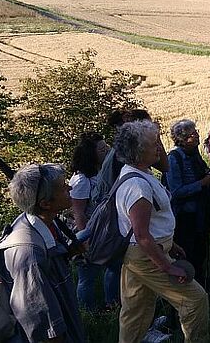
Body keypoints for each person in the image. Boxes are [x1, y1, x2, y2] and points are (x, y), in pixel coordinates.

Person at [114, 120, 208, 343]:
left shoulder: (138, 173)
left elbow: (149, 225)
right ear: (138, 151)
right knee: (195, 300)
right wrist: (167, 266)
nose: (159, 147)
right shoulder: (137, 187)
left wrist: (170, 244)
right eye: (153, 144)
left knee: (135, 311)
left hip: (142, 254)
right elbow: (142, 235)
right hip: (145, 256)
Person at [0, 163, 86, 342]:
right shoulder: (29, 256)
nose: (69, 188)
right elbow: (44, 329)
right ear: (45, 204)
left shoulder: (46, 222)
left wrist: (66, 253)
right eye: (63, 187)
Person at [68, 132, 118, 312]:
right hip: (89, 233)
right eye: (102, 149)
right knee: (87, 275)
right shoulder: (81, 180)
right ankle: (88, 312)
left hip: (104, 231)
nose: (107, 152)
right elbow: (78, 213)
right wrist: (85, 241)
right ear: (91, 154)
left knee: (114, 266)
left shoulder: (101, 174)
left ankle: (111, 305)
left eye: (107, 148)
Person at [166, 119, 210, 287]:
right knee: (188, 250)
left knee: (201, 247)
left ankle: (201, 279)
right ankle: (189, 283)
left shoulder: (194, 155)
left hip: (201, 210)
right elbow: (176, 191)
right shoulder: (174, 159)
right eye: (192, 134)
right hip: (186, 215)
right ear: (182, 139)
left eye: (196, 132)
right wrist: (202, 183)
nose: (196, 136)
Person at [92, 109, 169, 205]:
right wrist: (155, 137)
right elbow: (164, 166)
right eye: (148, 128)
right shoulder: (137, 183)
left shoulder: (124, 155)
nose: (158, 147)